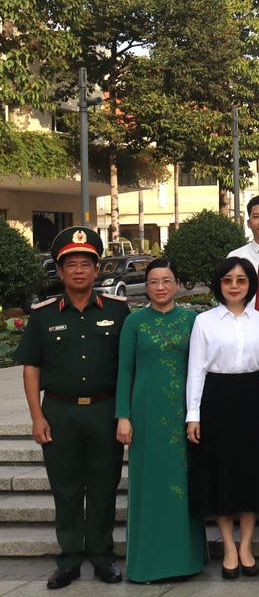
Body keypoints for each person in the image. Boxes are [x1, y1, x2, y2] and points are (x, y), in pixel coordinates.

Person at [18, 227, 128, 589]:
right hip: (60, 413)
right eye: (71, 264)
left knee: (103, 487)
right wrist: (37, 415)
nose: (79, 270)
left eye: (86, 263)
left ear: (98, 270)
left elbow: (130, 365)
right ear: (60, 272)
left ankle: (102, 557)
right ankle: (67, 560)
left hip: (104, 410)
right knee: (65, 488)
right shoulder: (43, 315)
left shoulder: (119, 310)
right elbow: (31, 367)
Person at [186, 257, 259, 580]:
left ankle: (246, 546)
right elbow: (196, 370)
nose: (235, 286)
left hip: (252, 399)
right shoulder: (205, 322)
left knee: (251, 472)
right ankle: (228, 546)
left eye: (241, 280)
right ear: (219, 285)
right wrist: (193, 415)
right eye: (228, 280)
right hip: (217, 400)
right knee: (222, 474)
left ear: (250, 285)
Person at [115, 258, 205, 583]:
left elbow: (201, 367)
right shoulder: (134, 322)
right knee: (149, 484)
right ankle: (148, 563)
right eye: (153, 282)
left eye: (166, 281)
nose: (160, 287)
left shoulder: (193, 320)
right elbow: (124, 371)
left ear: (177, 284)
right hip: (146, 414)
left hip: (183, 413)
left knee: (182, 485)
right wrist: (122, 416)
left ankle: (186, 559)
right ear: (146, 286)